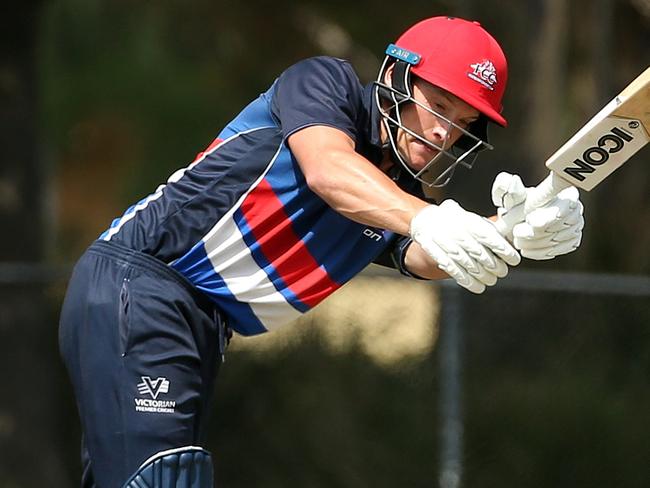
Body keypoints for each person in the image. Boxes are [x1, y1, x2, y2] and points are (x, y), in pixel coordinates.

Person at [59, 15, 584, 488]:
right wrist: (427, 217)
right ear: (397, 79)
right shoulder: (326, 87)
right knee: (164, 479)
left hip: (199, 322)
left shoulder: (391, 197)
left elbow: (425, 255)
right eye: (437, 105)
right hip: (143, 284)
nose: (444, 131)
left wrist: (511, 232)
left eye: (464, 122)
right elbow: (328, 170)